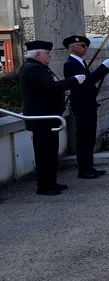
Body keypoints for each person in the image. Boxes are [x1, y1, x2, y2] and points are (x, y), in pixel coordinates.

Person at [18, 40, 84, 195]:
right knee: (44, 154)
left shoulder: (40, 67)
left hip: (48, 117)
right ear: (38, 54)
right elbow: (51, 87)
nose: (50, 56)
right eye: (47, 54)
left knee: (51, 153)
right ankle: (44, 186)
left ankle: (51, 182)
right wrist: (74, 80)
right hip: (40, 118)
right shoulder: (32, 68)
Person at [62, 35, 109, 179]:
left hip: (89, 103)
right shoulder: (70, 64)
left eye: (86, 45)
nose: (86, 48)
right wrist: (103, 68)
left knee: (90, 137)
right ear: (73, 48)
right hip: (81, 104)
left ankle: (89, 166)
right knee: (84, 137)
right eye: (83, 46)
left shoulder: (81, 62)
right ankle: (83, 168)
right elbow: (85, 82)